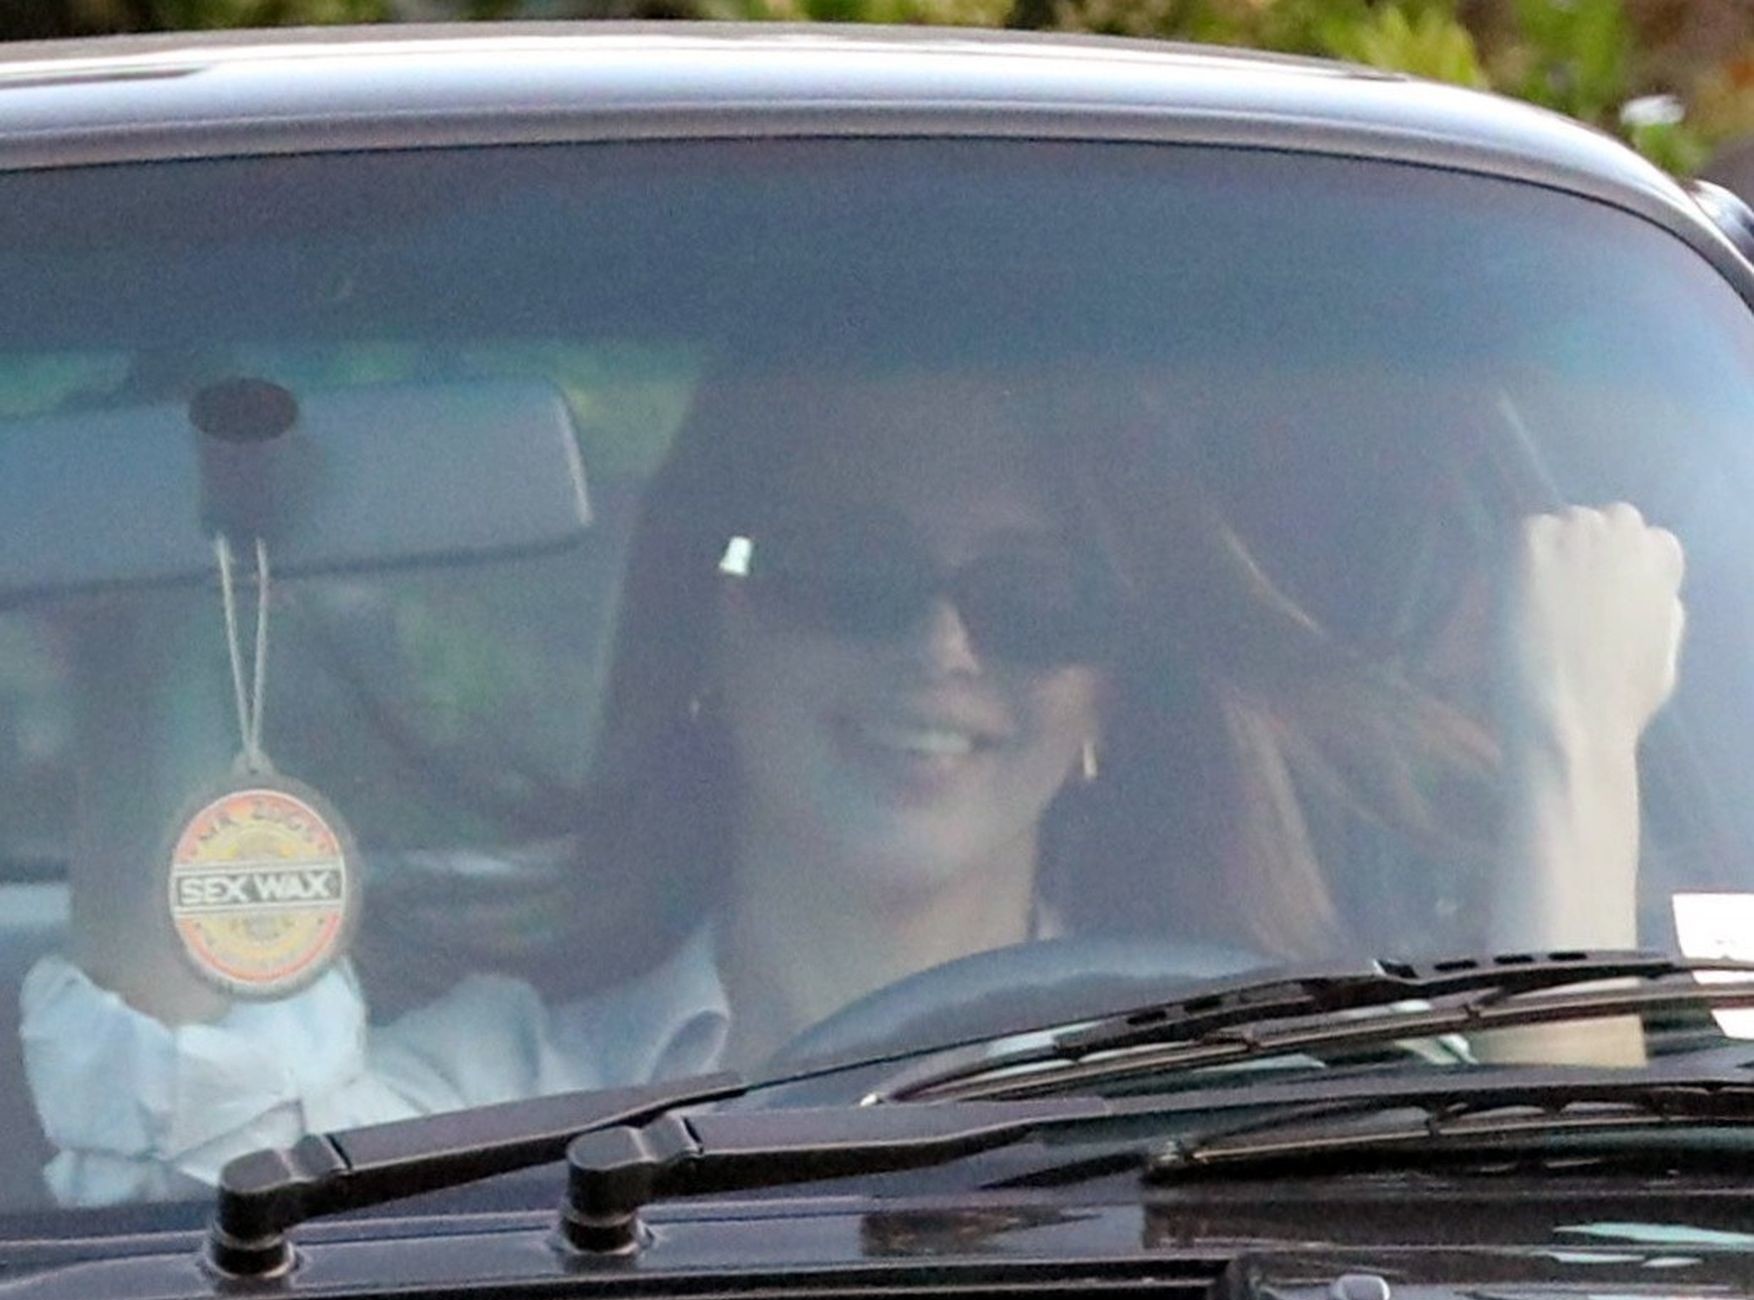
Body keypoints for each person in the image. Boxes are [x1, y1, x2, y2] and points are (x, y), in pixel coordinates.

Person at [19, 360, 1686, 1203]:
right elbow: (193, 1167)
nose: (941, 649)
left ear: (1104, 699)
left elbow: (1551, 1280)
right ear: (709, 636)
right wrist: (163, 615)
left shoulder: (1244, 1081)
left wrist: (1569, 748)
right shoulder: (505, 1091)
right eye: (847, 574)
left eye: (1033, 599)